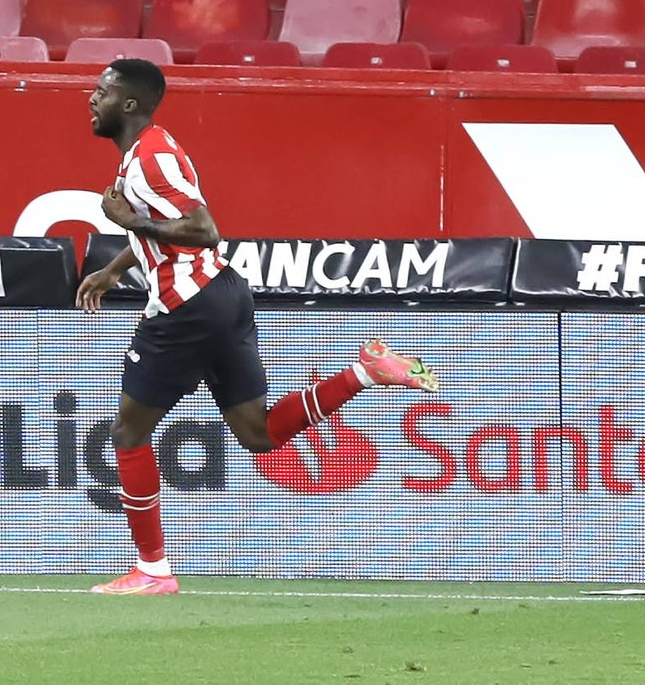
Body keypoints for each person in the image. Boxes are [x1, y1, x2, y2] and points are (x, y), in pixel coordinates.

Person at [76, 59, 439, 596]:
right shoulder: (146, 154)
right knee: (259, 434)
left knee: (128, 432)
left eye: (102, 92)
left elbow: (202, 228)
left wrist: (130, 223)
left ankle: (152, 570)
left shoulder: (150, 158)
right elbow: (170, 228)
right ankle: (365, 374)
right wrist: (115, 266)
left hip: (186, 308)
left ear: (128, 104)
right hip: (221, 296)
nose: (91, 98)